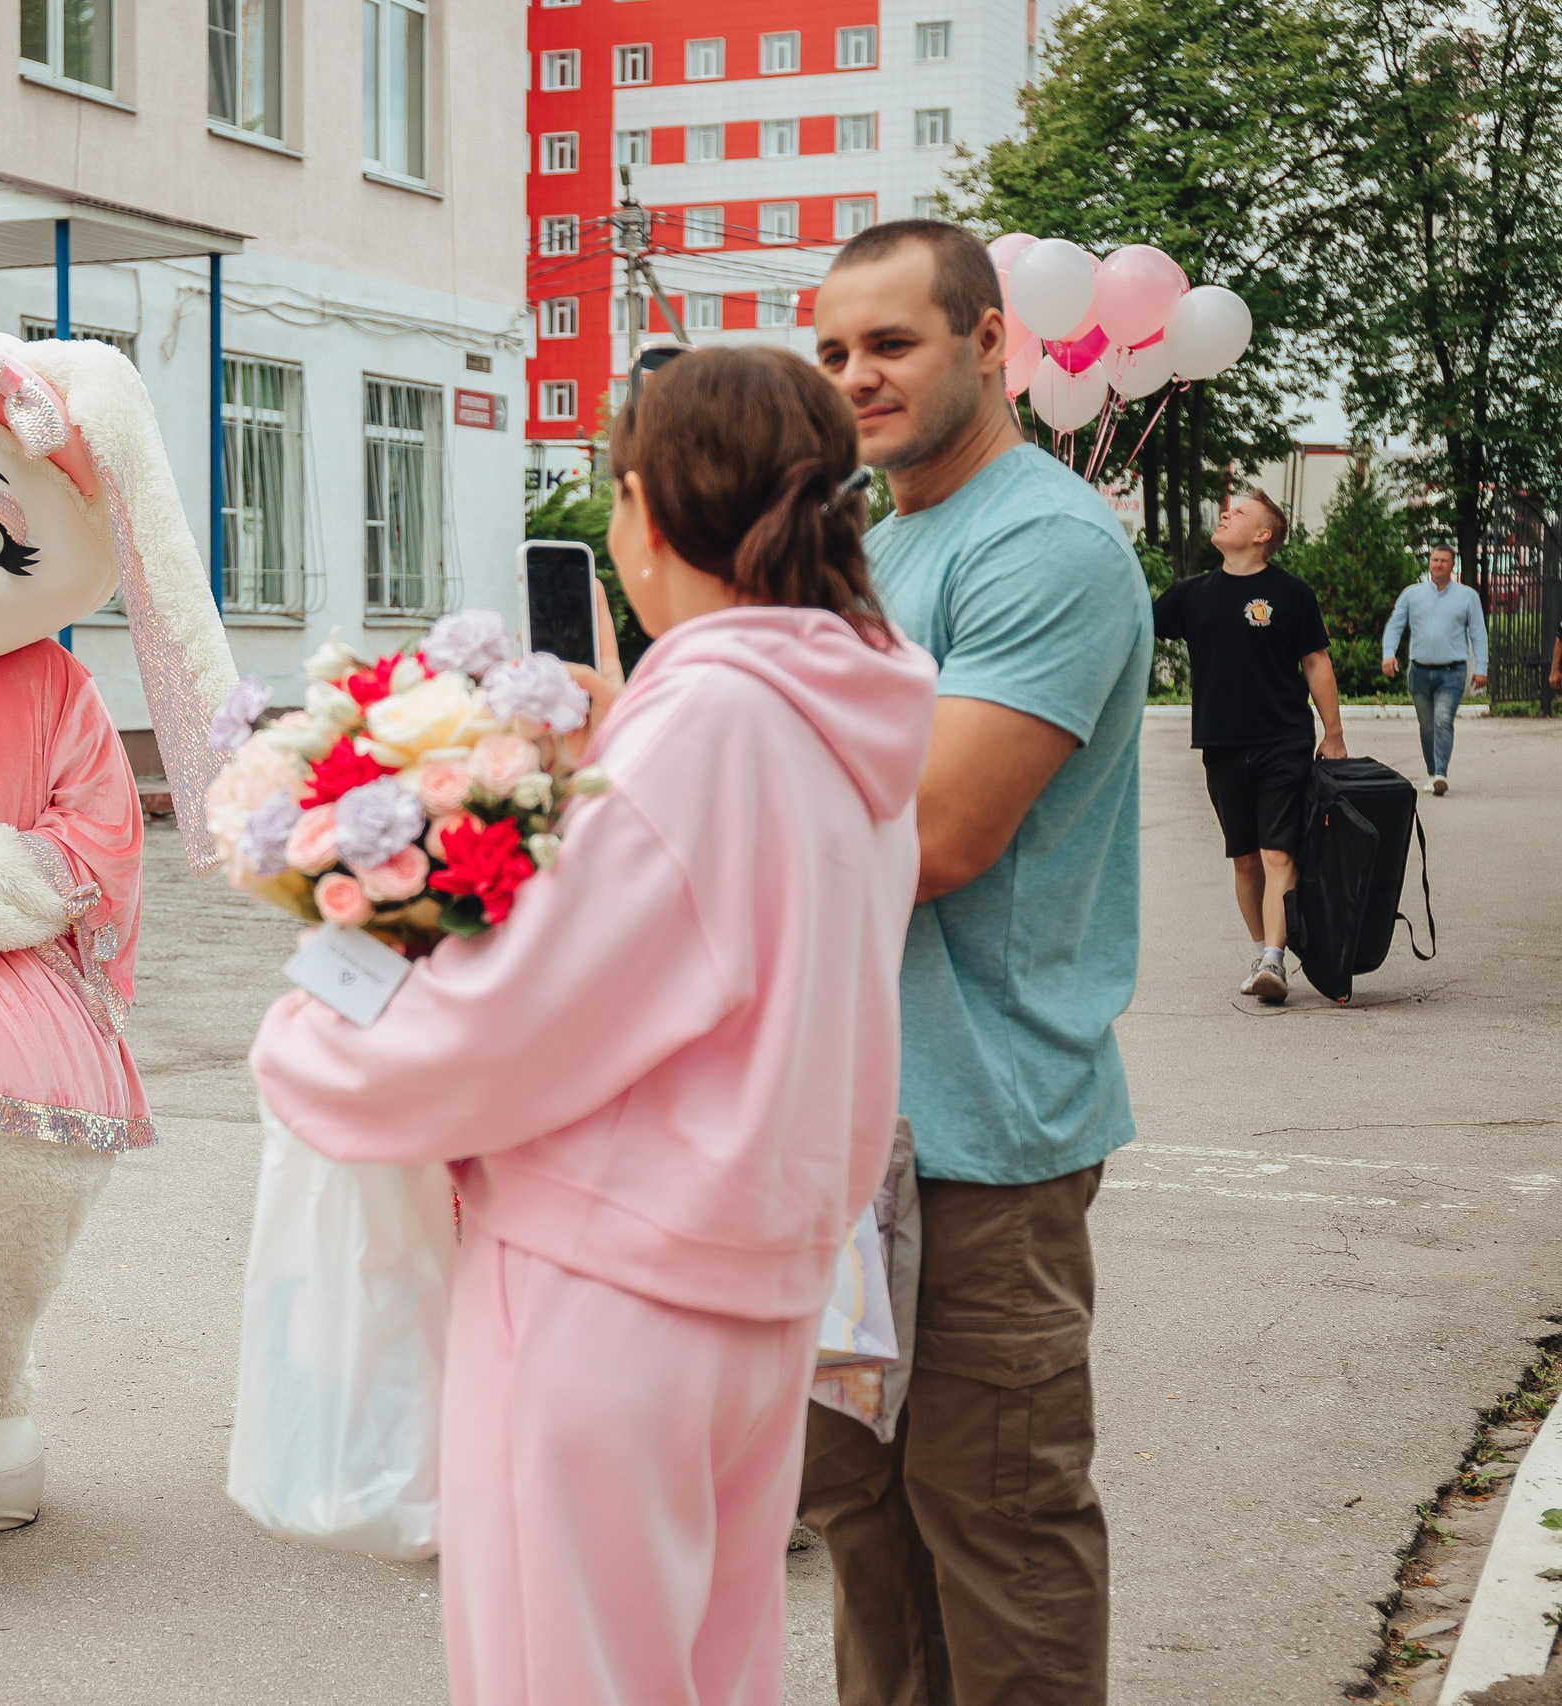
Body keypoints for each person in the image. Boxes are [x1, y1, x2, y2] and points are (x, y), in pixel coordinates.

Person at [251, 347, 937, 1706]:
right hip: (761, 1283)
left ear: (638, 507)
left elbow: (508, 1021)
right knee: (709, 1666)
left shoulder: (710, 716)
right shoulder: (849, 709)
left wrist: (317, 1031)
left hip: (611, 1282)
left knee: (560, 1673)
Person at [798, 219, 1151, 1706]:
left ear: (994, 344)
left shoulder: (1045, 545)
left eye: (892, 344)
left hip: (984, 1140)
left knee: (998, 1529)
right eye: (831, 352)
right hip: (840, 1138)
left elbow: (937, 837)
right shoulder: (869, 539)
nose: (855, 379)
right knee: (863, 1524)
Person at [1152, 491, 1347, 1005]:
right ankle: (1263, 951)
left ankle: (1275, 961)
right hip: (1219, 743)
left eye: (1237, 512)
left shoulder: (1291, 593)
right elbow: (1135, 626)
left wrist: (1333, 733)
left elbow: (1315, 662)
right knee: (1243, 859)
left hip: (1282, 739)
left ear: (1263, 535)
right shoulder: (1190, 594)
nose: (1224, 514)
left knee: (1278, 849)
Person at [1380, 545, 1488, 793]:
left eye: (1444, 561)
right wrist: (1389, 654)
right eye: (1435, 560)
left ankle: (1441, 773)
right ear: (1429, 563)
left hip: (1452, 672)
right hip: (1418, 672)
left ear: (1452, 565)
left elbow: (1479, 634)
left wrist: (1480, 668)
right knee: (1427, 725)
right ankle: (1432, 772)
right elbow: (1395, 625)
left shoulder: (1467, 596)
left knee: (1442, 720)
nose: (1438, 564)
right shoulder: (1412, 594)